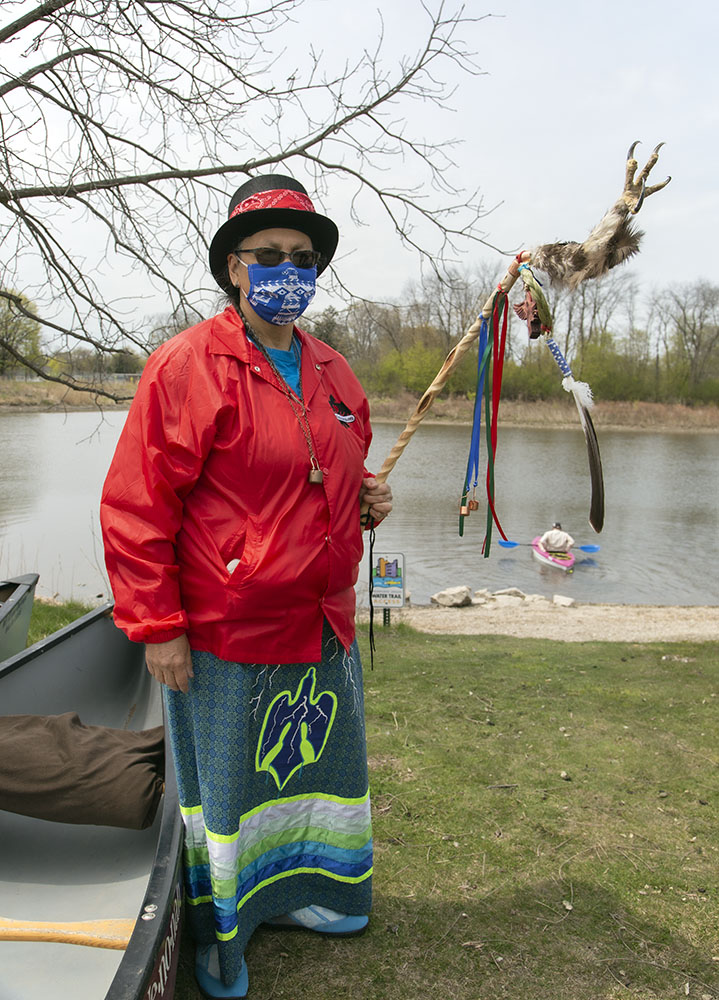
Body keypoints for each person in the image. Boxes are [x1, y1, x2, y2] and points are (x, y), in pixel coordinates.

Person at [100, 174, 392, 1000]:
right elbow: (136, 502)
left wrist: (365, 496)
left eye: (303, 259)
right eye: (270, 255)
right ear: (234, 265)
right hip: (226, 632)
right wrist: (157, 623)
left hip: (320, 626)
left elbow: (325, 474)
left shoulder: (334, 371)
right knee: (232, 792)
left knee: (313, 777)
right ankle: (229, 931)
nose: (288, 272)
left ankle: (310, 897)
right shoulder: (187, 366)